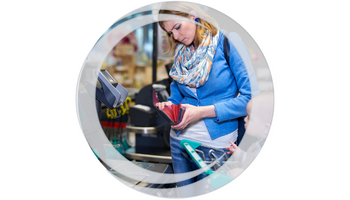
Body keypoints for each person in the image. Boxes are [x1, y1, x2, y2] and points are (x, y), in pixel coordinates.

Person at [156, 1, 252, 193]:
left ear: (193, 15)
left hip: (216, 145)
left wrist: (201, 113)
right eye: (170, 33)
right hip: (179, 141)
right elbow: (176, 98)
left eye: (177, 27)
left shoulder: (227, 42)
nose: (175, 36)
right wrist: (169, 107)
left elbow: (250, 100)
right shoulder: (180, 54)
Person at [225, 92, 274, 178]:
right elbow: (249, 159)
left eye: (249, 117)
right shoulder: (258, 144)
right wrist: (239, 153)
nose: (244, 119)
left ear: (266, 128)